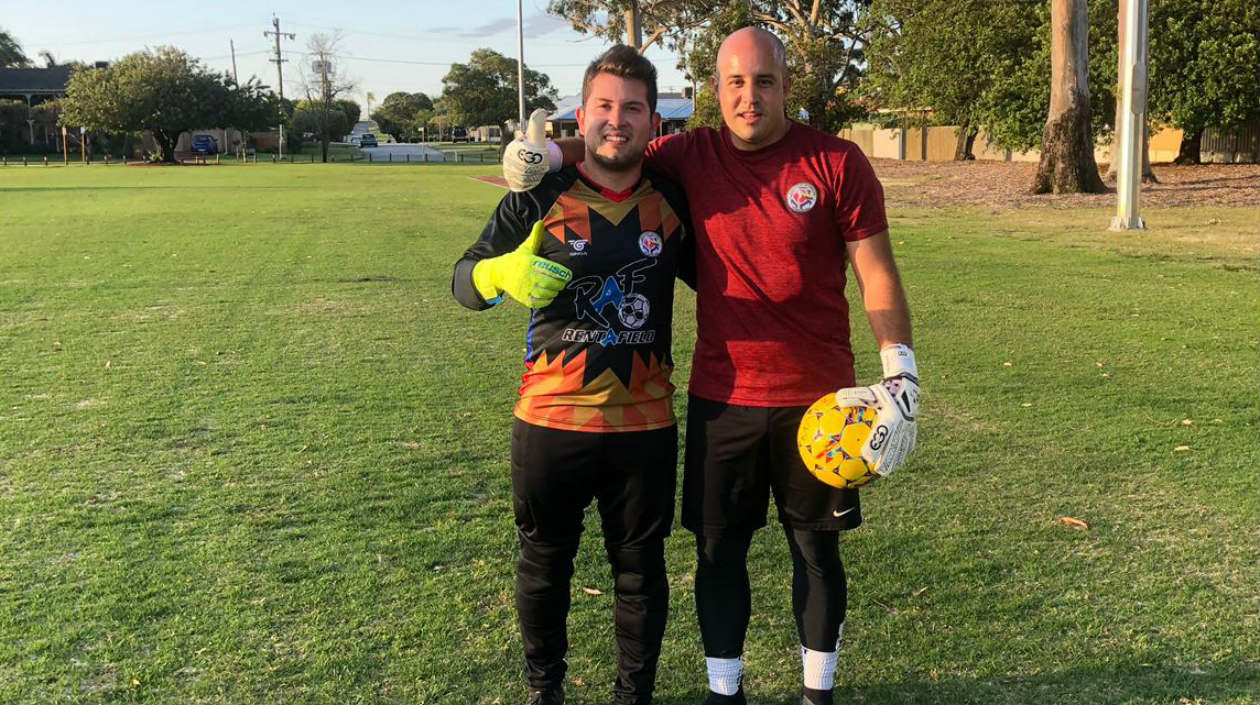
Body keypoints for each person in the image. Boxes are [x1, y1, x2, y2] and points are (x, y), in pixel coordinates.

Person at [502, 27, 920, 705]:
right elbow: (614, 141)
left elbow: (877, 271)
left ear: (787, 86)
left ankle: (819, 693)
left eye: (762, 82)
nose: (748, 97)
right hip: (722, 396)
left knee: (816, 551)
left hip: (821, 403)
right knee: (718, 553)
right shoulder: (688, 155)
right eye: (733, 83)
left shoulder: (838, 163)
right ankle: (724, 693)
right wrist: (546, 150)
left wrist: (899, 372)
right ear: (713, 92)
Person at [452, 45, 692, 705]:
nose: (618, 121)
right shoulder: (539, 196)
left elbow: (728, 280)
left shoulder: (672, 201)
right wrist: (498, 274)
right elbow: (462, 280)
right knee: (544, 565)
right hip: (550, 422)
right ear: (583, 115)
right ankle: (544, 690)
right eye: (606, 107)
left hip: (645, 427)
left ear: (653, 122)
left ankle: (632, 695)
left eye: (634, 108)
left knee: (641, 572)